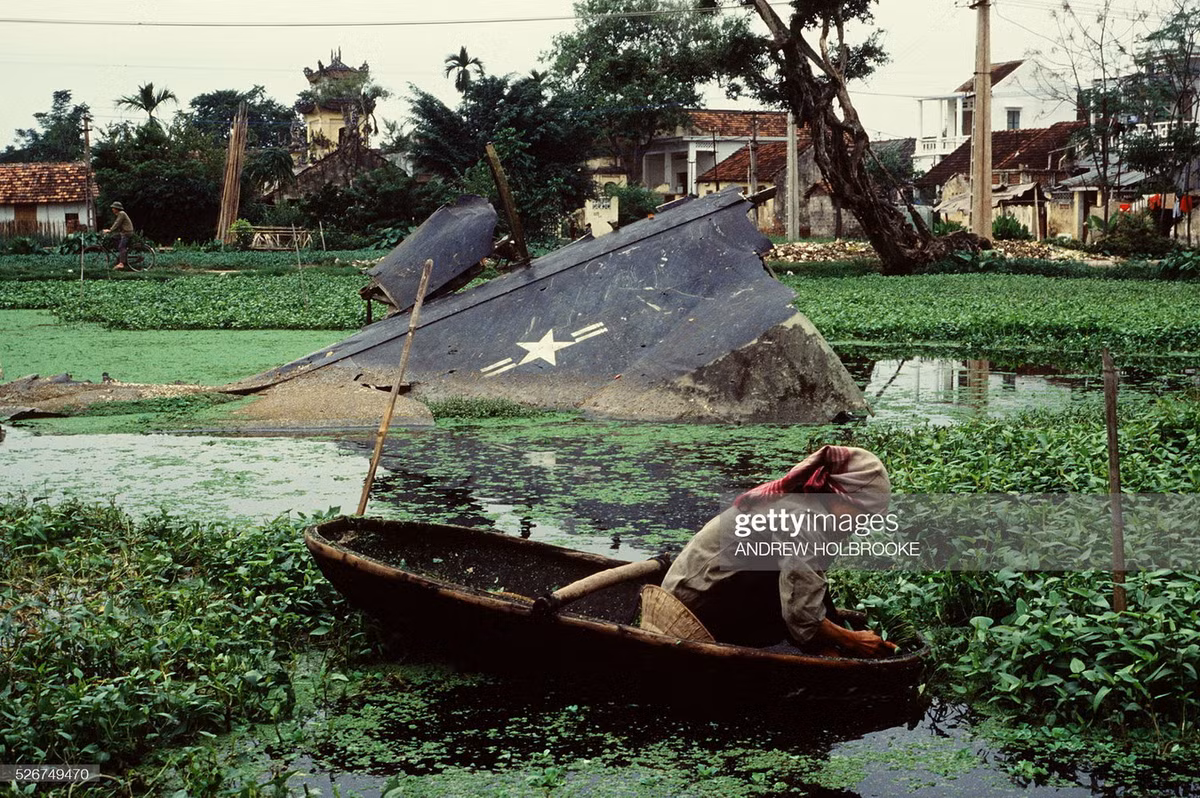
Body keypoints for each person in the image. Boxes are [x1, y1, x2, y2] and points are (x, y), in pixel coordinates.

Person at [662, 445, 897, 658]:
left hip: (717, 590)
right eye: (863, 514)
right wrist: (852, 640)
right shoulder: (802, 520)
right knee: (796, 596)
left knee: (803, 582)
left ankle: (825, 649)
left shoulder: (815, 509)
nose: (862, 524)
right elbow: (802, 614)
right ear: (839, 495)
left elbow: (810, 582)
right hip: (691, 604)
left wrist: (837, 632)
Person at [104, 202, 134, 270]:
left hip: (126, 233)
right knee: (114, 237)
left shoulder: (121, 213)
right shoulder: (120, 214)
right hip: (124, 232)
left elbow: (117, 223)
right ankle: (122, 254)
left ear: (117, 208)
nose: (112, 209)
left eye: (113, 208)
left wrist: (110, 230)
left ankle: (121, 263)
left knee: (121, 247)